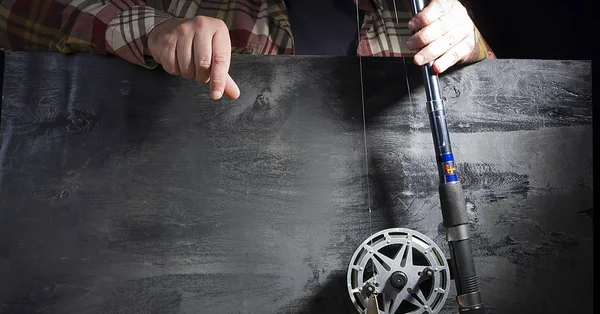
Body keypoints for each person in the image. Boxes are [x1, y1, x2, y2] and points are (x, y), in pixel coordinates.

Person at [0, 0, 494, 101]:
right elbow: (18, 14)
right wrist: (153, 30)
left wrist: (470, 44)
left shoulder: (409, 10)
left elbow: (506, 105)